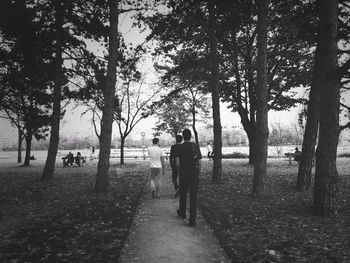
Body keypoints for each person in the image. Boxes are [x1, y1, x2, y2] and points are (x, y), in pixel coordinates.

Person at [176, 128, 202, 227]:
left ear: (183, 136)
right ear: (190, 136)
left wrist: (180, 172)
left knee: (183, 194)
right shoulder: (195, 146)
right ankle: (192, 220)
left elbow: (178, 163)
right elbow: (199, 162)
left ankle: (182, 213)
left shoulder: (179, 147)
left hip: (183, 174)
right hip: (193, 174)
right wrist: (198, 173)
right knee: (193, 197)